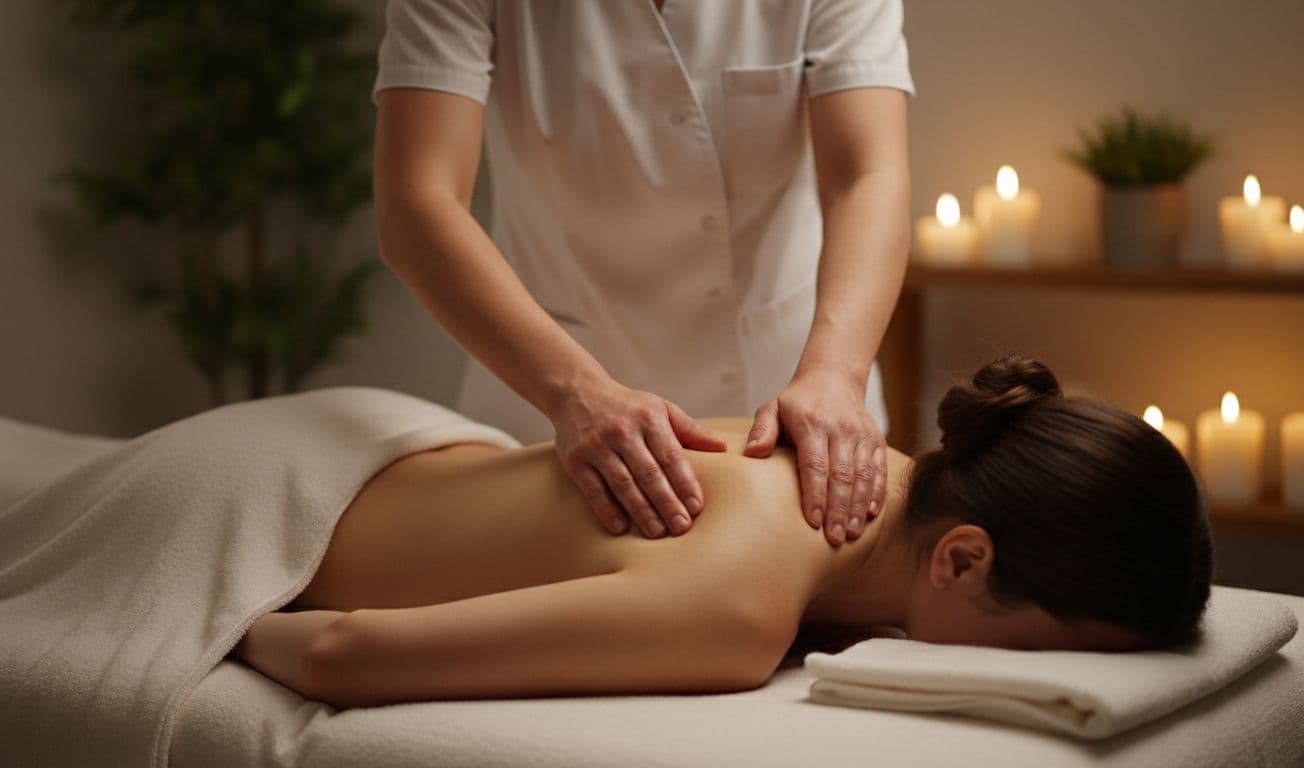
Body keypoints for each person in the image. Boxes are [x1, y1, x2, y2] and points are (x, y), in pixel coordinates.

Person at [232, 356, 1213, 708]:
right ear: (963, 558)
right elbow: (335, 652)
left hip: (364, 442)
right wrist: (223, 619)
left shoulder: (870, 469)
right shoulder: (740, 614)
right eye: (1054, 654)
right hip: (259, 506)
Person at [372, 0, 916, 548]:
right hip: (548, 412)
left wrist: (835, 376)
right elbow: (418, 204)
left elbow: (868, 176)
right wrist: (572, 392)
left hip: (800, 414)